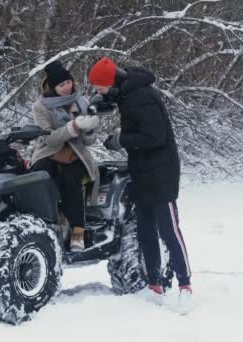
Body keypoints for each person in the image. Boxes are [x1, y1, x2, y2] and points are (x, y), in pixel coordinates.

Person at [88, 57, 193, 312]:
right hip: (143, 172)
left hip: (161, 172)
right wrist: (96, 105)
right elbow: (118, 102)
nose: (98, 92)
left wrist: (120, 140)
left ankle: (185, 285)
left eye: (100, 87)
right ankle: (155, 285)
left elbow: (155, 137)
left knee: (169, 230)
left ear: (111, 82)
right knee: (145, 231)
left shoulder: (142, 96)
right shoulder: (127, 93)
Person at [30, 60, 100, 252]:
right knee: (41, 178)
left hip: (76, 153)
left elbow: (89, 141)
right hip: (49, 152)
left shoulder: (81, 101)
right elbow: (48, 139)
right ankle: (56, 221)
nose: (67, 87)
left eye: (68, 82)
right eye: (61, 85)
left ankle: (78, 232)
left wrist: (90, 127)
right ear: (52, 87)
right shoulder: (41, 107)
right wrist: (72, 127)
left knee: (72, 180)